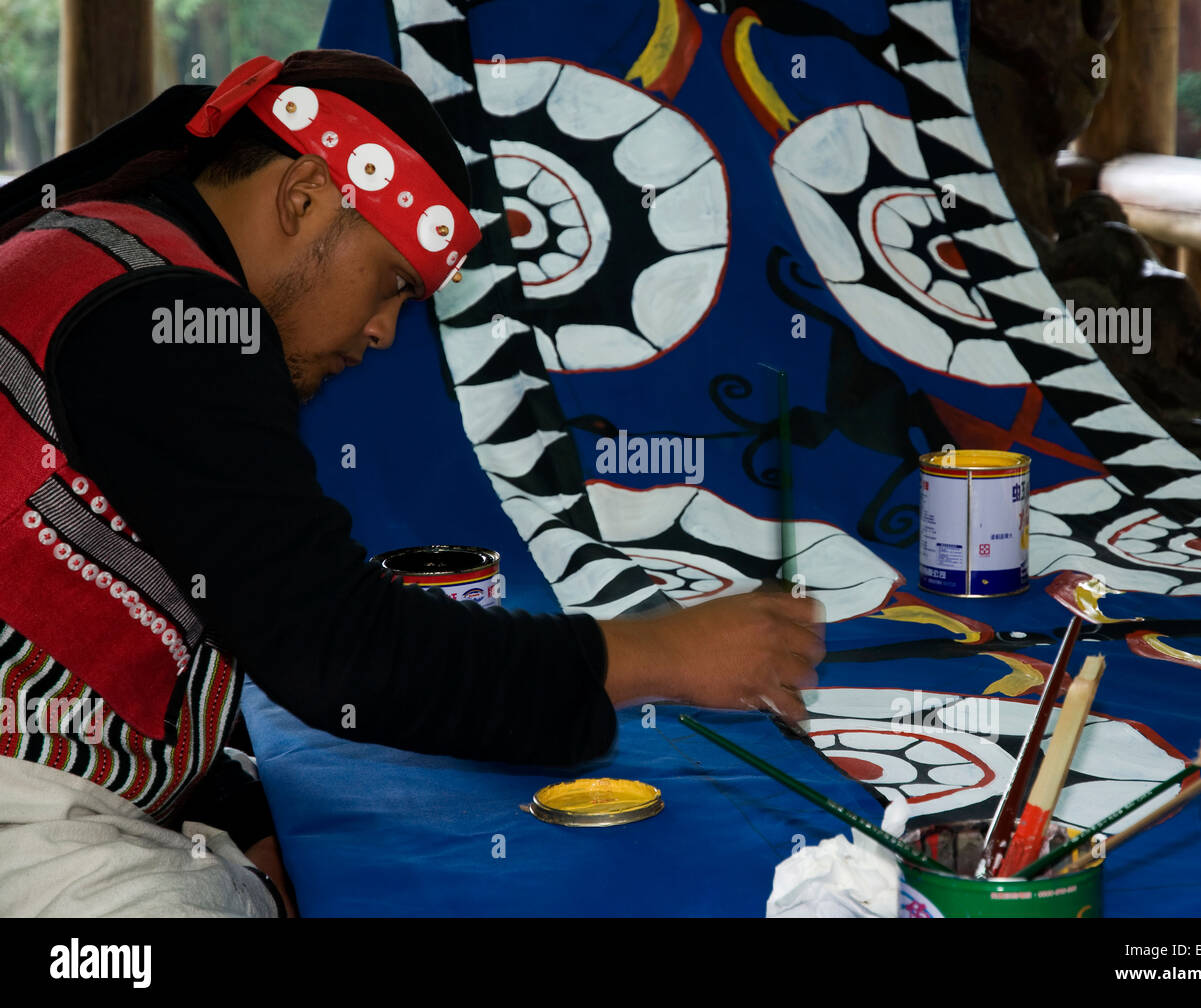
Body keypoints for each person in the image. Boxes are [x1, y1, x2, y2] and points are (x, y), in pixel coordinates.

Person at [0, 50, 823, 917]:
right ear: (306, 196)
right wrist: (663, 654)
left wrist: (227, 810)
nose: (385, 332)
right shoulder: (175, 321)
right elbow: (343, 648)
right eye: (392, 283)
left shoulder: (91, 255)